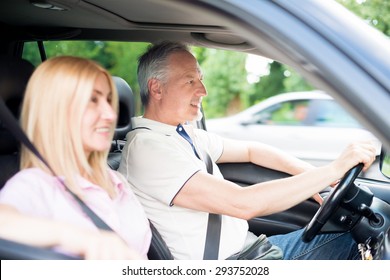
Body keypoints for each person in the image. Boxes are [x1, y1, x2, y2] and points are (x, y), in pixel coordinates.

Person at [118, 41, 377, 260]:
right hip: (239, 262)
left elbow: (253, 151)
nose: (203, 91)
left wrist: (317, 177)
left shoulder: (182, 134)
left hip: (253, 249)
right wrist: (333, 168)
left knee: (358, 231)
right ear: (156, 88)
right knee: (358, 236)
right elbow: (242, 203)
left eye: (201, 79)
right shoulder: (146, 148)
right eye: (190, 81)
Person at [0, 56, 151, 260]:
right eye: (92, 100)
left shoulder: (115, 180)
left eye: (108, 100)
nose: (110, 114)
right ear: (56, 110)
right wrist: (75, 237)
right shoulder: (35, 185)